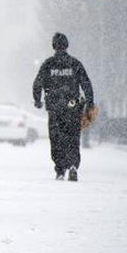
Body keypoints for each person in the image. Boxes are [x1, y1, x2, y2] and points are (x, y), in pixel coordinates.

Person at [33, 32, 94, 181]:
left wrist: (38, 100)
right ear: (67, 45)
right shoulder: (75, 63)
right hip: (72, 107)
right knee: (73, 138)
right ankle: (73, 165)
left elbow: (37, 83)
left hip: (54, 109)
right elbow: (86, 83)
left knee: (56, 139)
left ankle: (60, 169)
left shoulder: (48, 64)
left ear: (54, 45)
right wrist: (90, 102)